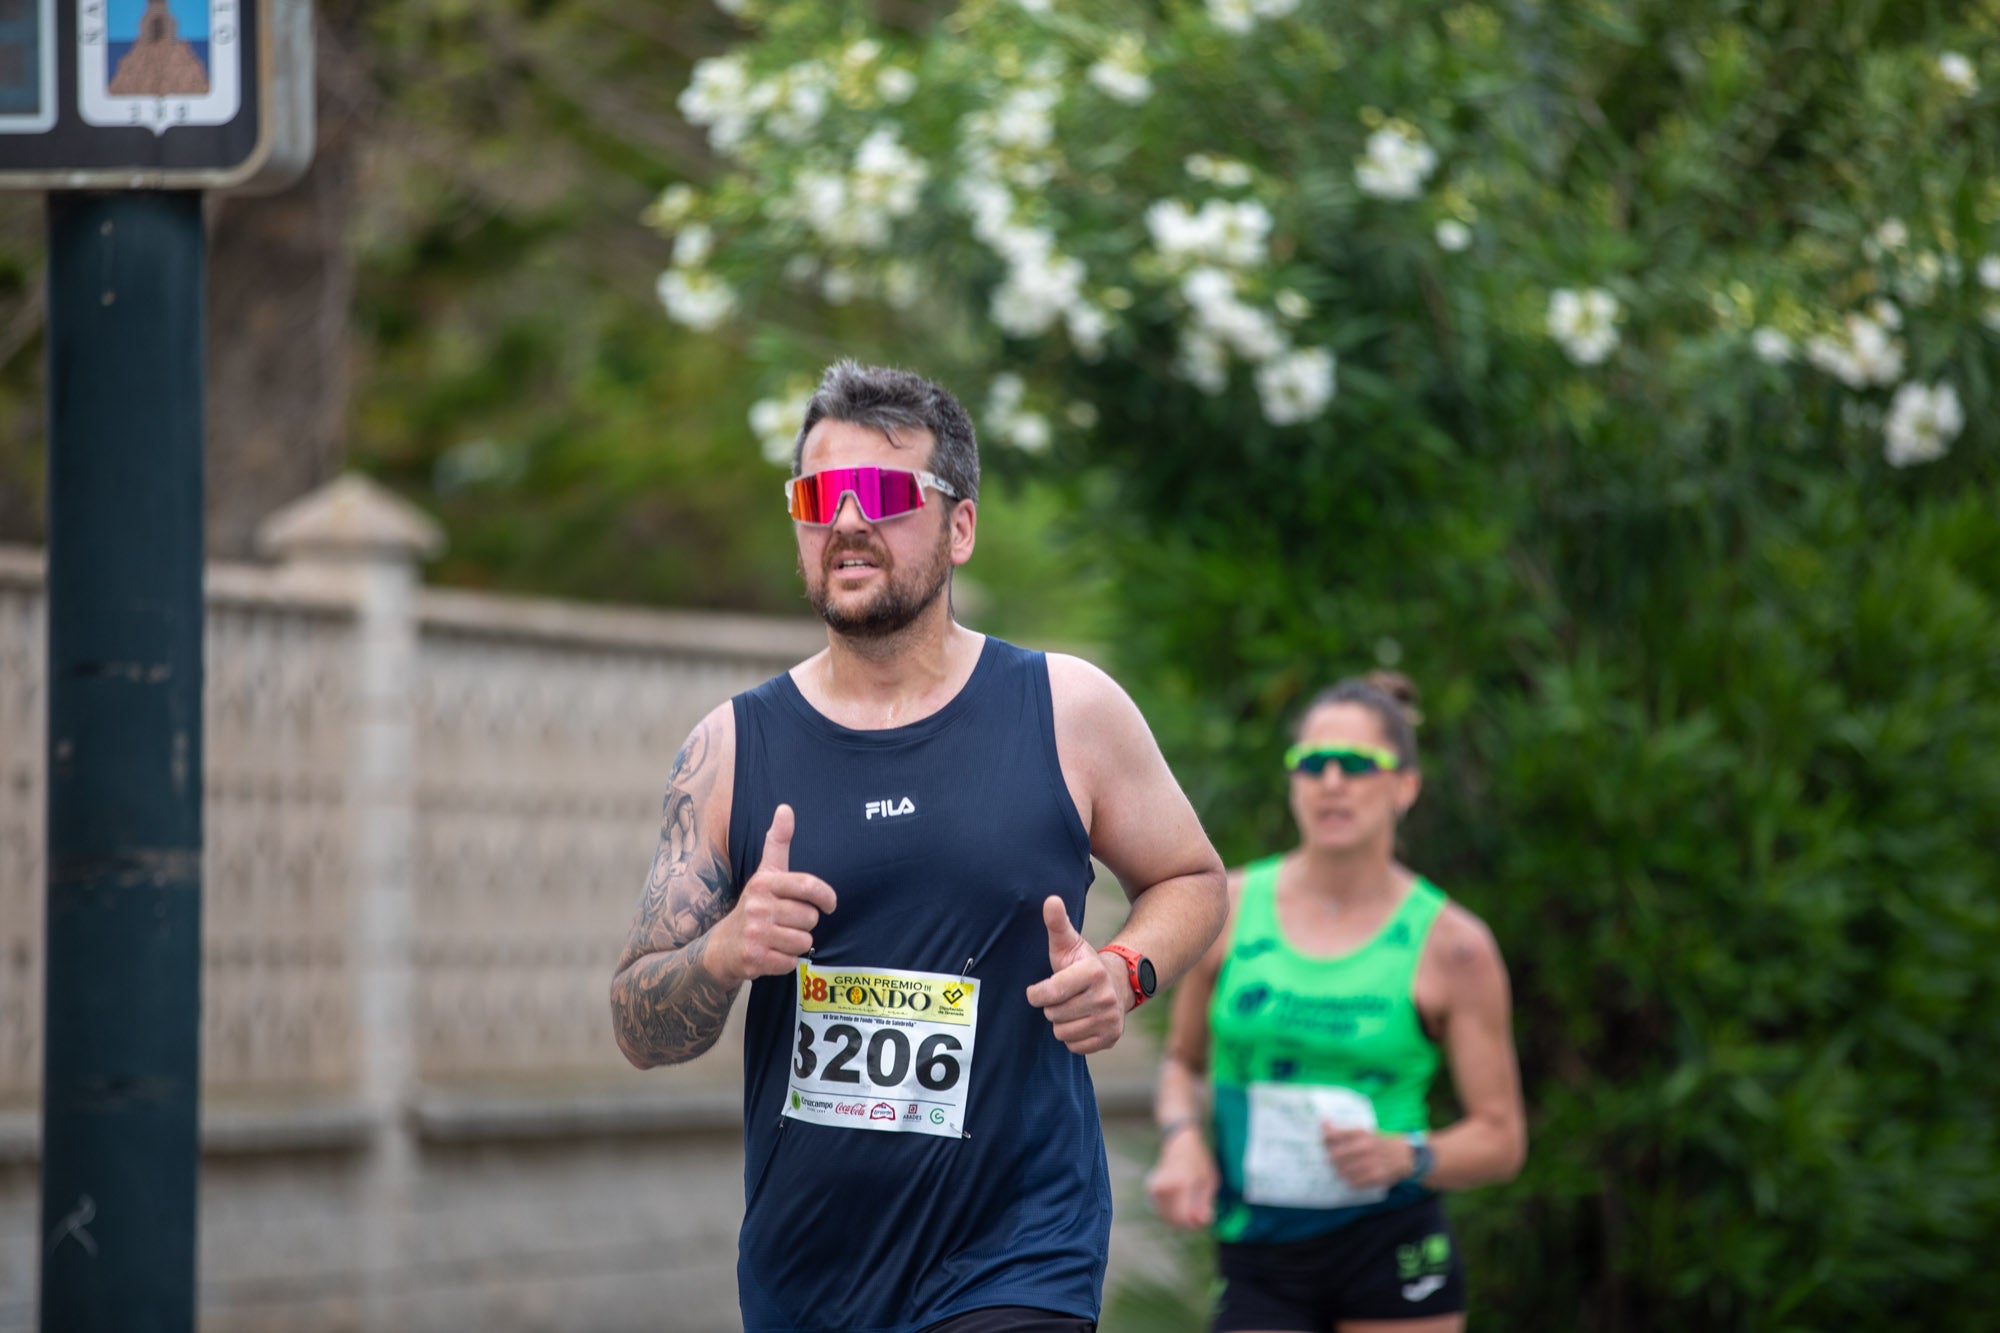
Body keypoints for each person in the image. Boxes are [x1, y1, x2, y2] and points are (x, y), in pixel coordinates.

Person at [609, 360, 1229, 1333]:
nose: (847, 519)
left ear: (960, 524)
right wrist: (724, 950)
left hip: (1016, 1251)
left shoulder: (1066, 710)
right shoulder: (728, 748)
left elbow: (1192, 878)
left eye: (885, 491)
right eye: (819, 495)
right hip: (808, 1271)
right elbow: (639, 1024)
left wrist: (1123, 970)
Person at [1144, 674, 1525, 1333]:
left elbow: (1501, 1137)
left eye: (1356, 764)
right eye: (1312, 763)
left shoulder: (1455, 945)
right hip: (1259, 1250)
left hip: (1391, 1243)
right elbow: (1181, 1064)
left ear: (1405, 785)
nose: (1331, 782)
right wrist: (1181, 1139)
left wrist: (1410, 1155)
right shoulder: (1225, 908)